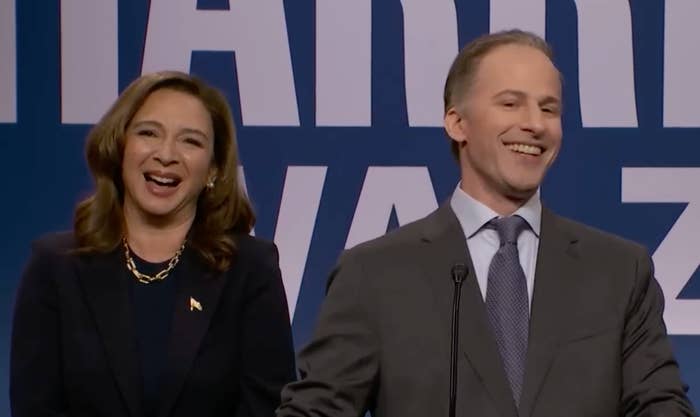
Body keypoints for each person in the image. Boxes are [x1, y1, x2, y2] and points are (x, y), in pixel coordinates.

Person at [276, 30, 696, 417]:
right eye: (510, 103)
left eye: (548, 108)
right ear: (457, 123)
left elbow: (661, 406)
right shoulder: (373, 274)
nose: (535, 124)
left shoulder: (620, 271)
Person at [11, 71, 296, 417]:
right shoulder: (55, 266)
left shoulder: (250, 269)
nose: (166, 154)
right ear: (119, 147)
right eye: (148, 133)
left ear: (213, 170)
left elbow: (267, 408)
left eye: (190, 141)